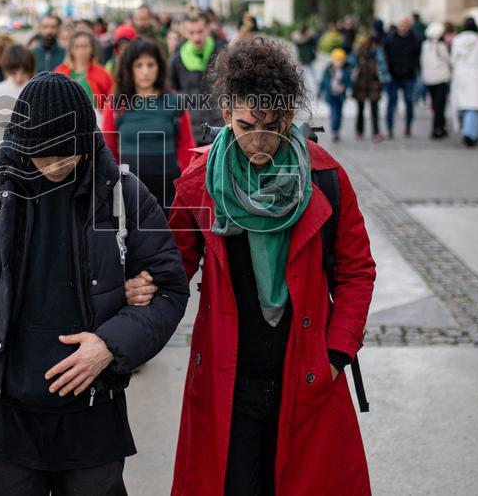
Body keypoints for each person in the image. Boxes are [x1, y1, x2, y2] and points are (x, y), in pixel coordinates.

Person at [0, 72, 190, 494]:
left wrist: (110, 345)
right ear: (23, 144)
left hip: (93, 417)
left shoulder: (122, 195)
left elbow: (170, 289)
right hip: (5, 416)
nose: (57, 165)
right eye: (45, 155)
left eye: (69, 154)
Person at [138, 36, 376, 495]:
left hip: (306, 375)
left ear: (290, 117)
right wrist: (137, 289)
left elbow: (356, 272)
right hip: (227, 381)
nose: (260, 140)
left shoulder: (326, 179)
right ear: (226, 114)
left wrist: (336, 354)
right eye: (248, 125)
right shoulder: (197, 184)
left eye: (273, 125)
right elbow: (171, 270)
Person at [102, 38, 196, 213]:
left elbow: (186, 148)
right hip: (128, 191)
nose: (145, 71)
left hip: (169, 189)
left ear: (159, 67)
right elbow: (108, 150)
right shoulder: (115, 105)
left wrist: (188, 188)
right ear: (128, 69)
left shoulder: (175, 102)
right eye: (139, 65)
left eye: (150, 64)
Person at [169, 11, 223, 145]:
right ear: (185, 33)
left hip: (219, 129)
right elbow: (172, 92)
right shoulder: (176, 59)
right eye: (191, 33)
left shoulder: (223, 54)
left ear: (208, 29)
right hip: (190, 132)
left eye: (200, 31)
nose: (196, 37)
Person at [450, 17, 478, 147]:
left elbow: (453, 60)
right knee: (474, 106)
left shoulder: (457, 41)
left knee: (465, 105)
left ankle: (470, 132)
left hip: (461, 75)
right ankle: (470, 133)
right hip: (477, 75)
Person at [54, 31, 114, 111]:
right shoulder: (60, 72)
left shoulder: (102, 73)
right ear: (71, 49)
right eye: (77, 46)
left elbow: (111, 100)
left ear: (92, 49)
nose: (81, 50)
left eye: (85, 46)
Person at [383, 14, 422, 138]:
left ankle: (408, 126)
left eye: (405, 25)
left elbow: (417, 56)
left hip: (408, 76)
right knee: (391, 102)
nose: (403, 27)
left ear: (409, 26)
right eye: (401, 25)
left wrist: (413, 67)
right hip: (393, 76)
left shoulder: (415, 39)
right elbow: (385, 55)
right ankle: (389, 128)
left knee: (409, 101)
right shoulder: (390, 38)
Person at [352, 36, 389, 142]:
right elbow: (351, 65)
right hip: (362, 85)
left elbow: (383, 69)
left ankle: (374, 132)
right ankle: (361, 131)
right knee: (361, 109)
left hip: (373, 85)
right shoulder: (360, 53)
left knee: (373, 109)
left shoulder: (377, 53)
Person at [420, 22, 451, 139]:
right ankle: (438, 127)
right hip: (441, 78)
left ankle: (438, 127)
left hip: (429, 79)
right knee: (440, 105)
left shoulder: (425, 45)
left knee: (434, 104)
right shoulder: (441, 46)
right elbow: (449, 60)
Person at [318, 48, 352, 143]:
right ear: (333, 60)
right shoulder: (328, 69)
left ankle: (336, 129)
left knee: (339, 113)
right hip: (331, 94)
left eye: (340, 60)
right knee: (334, 112)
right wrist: (319, 93)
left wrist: (344, 87)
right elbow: (323, 82)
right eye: (336, 60)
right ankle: (334, 130)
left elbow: (349, 82)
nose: (338, 62)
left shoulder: (346, 70)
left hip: (340, 96)